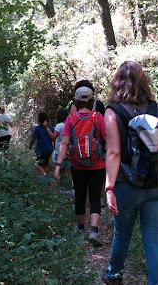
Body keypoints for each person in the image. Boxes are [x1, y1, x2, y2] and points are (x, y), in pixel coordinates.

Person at [101, 61, 158, 285]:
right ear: (144, 82)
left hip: (126, 186)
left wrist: (109, 188)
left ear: (117, 82)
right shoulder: (156, 108)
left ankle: (114, 275)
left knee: (123, 234)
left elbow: (113, 153)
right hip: (156, 184)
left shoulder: (112, 112)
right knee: (153, 240)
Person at [54, 86, 106, 246]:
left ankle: (81, 228)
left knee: (80, 196)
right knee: (95, 197)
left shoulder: (71, 118)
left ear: (76, 101)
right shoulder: (98, 117)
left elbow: (64, 143)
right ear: (92, 101)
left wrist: (58, 164)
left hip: (78, 165)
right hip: (98, 164)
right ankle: (94, 231)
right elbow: (107, 140)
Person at [45, 108, 73, 188]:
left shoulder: (59, 126)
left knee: (61, 170)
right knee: (69, 170)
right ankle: (73, 184)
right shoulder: (69, 124)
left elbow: (54, 137)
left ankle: (62, 187)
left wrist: (47, 128)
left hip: (60, 151)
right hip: (68, 150)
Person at [29, 112, 54, 177]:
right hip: (49, 149)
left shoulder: (37, 128)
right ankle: (47, 177)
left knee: (38, 164)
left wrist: (30, 145)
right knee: (46, 164)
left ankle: (44, 174)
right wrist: (54, 146)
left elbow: (33, 139)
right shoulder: (51, 128)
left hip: (40, 149)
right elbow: (53, 138)